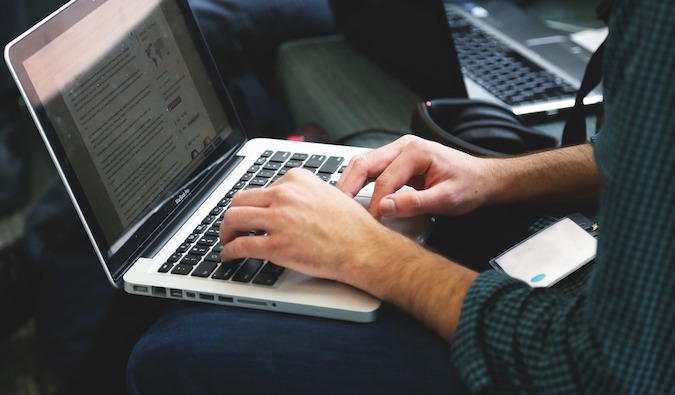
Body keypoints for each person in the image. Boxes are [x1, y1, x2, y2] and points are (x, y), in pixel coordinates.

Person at [126, 0, 675, 394]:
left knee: (175, 351)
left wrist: (369, 254)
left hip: (580, 350)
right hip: (600, 275)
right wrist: (496, 175)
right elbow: (648, 152)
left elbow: (600, 370)